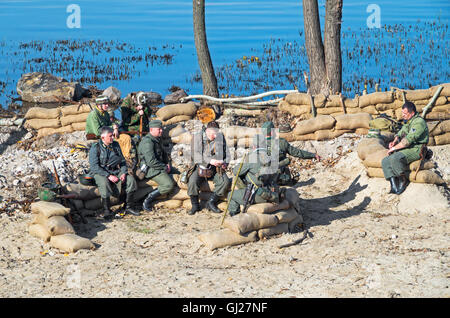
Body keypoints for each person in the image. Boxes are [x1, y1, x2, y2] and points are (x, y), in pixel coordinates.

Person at [88, 126, 140, 219]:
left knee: (131, 180)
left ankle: (128, 207)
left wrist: (123, 172)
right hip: (101, 172)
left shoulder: (115, 145)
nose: (113, 137)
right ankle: (106, 210)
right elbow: (94, 167)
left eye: (112, 135)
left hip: (115, 170)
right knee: (104, 183)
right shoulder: (95, 148)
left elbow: (122, 161)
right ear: (103, 138)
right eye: (110, 136)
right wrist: (108, 176)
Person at [381, 101, 429, 194]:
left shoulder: (419, 122)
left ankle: (403, 180)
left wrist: (394, 148)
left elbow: (408, 140)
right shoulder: (409, 121)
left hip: (417, 149)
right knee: (385, 161)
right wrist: (394, 141)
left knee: (395, 158)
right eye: (402, 113)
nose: (403, 115)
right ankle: (393, 185)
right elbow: (401, 132)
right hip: (409, 147)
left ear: (412, 113)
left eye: (405, 113)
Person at [254, 121, 321, 185]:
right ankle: (288, 182)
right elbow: (297, 153)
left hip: (264, 178)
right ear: (272, 131)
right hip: (280, 177)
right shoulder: (282, 142)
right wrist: (313, 155)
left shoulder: (259, 144)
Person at [187, 121, 231, 215]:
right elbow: (196, 155)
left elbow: (227, 153)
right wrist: (210, 161)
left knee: (225, 182)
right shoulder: (197, 137)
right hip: (200, 167)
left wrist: (225, 163)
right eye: (213, 134)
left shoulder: (220, 137)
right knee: (192, 182)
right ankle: (195, 205)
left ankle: (211, 202)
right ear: (207, 131)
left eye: (216, 133)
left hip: (215, 169)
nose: (215, 136)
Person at [226, 147, 280, 216]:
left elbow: (236, 171)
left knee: (231, 195)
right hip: (269, 193)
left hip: (256, 194)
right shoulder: (271, 158)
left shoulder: (252, 158)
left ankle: (235, 216)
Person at [137, 119, 176, 211]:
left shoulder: (157, 139)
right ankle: (147, 200)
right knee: (168, 185)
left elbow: (163, 154)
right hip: (151, 169)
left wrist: (167, 164)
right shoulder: (148, 142)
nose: (161, 130)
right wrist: (164, 167)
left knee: (178, 172)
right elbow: (151, 161)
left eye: (161, 128)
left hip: (159, 165)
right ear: (151, 130)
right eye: (159, 129)